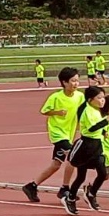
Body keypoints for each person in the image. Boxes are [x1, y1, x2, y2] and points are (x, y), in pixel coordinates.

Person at [22, 66, 84, 203]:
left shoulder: (80, 96)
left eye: (77, 81)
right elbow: (44, 111)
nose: (75, 84)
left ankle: (32, 186)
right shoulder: (56, 97)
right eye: (72, 81)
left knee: (56, 164)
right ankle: (65, 188)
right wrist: (57, 112)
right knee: (73, 158)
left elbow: (84, 111)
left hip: (69, 134)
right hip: (57, 134)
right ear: (64, 82)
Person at [60, 86, 109, 216]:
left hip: (97, 145)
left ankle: (91, 193)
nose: (102, 101)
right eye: (99, 98)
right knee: (81, 176)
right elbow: (90, 128)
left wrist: (103, 131)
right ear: (90, 100)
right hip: (86, 146)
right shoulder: (87, 111)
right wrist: (105, 122)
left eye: (103, 98)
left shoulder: (96, 111)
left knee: (103, 173)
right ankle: (70, 198)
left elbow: (97, 126)